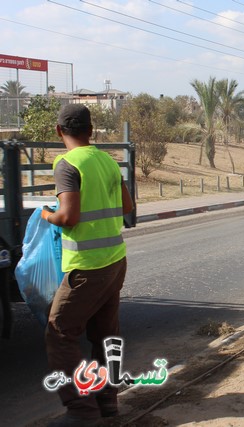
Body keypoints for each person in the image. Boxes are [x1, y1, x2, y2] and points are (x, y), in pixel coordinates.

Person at [41, 104, 133, 426]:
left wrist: (46, 215)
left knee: (59, 331)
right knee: (105, 333)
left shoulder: (67, 163)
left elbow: (69, 216)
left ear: (58, 131)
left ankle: (82, 411)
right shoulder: (108, 161)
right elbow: (128, 206)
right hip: (115, 261)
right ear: (91, 131)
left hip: (87, 267)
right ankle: (108, 403)